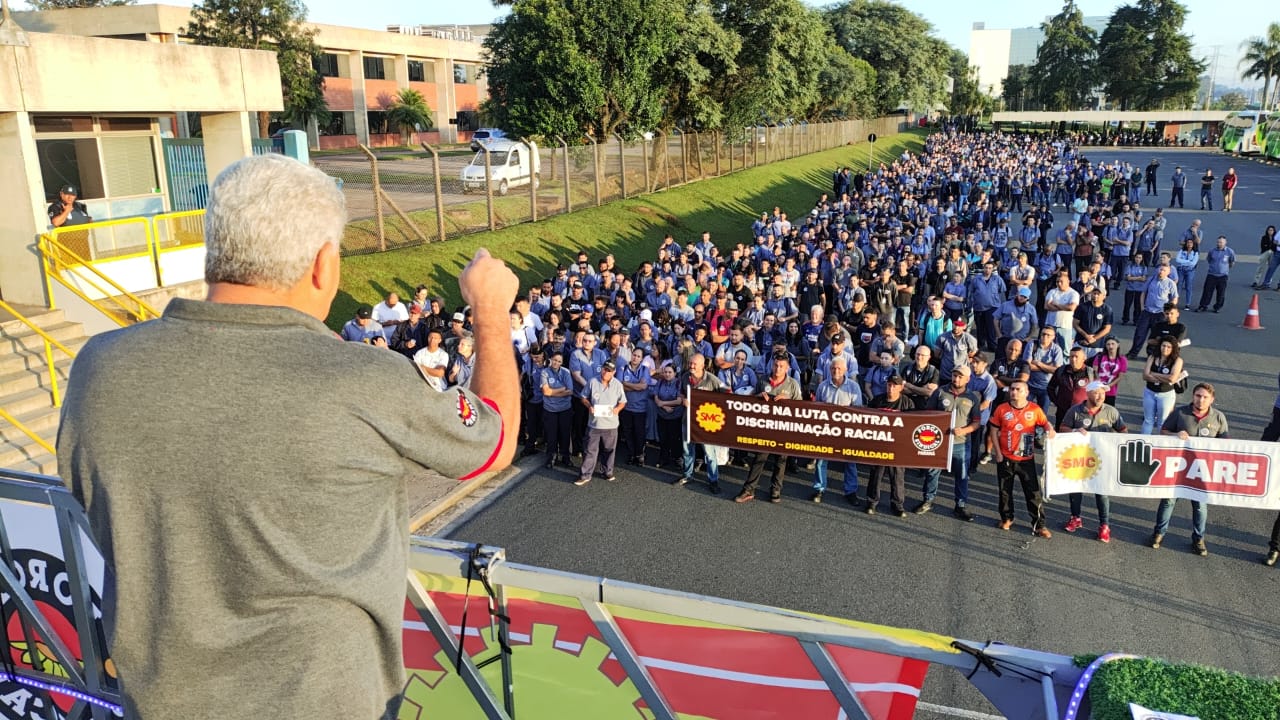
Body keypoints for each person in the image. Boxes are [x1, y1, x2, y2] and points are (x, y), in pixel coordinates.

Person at [57, 154, 518, 720]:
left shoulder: (101, 368)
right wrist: (490, 312)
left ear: (216, 250)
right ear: (324, 264)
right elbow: (495, 441)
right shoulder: (365, 380)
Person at [1151, 383, 1229, 556]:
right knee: (1168, 501)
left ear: (1212, 399)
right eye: (1198, 396)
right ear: (1193, 396)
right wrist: (1175, 435)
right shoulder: (1180, 413)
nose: (1201, 400)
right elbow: (1163, 431)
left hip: (1202, 471)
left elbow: (1225, 444)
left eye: (1205, 397)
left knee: (1200, 506)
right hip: (1178, 468)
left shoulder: (1218, 417)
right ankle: (1158, 533)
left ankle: (1198, 539)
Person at [1059, 381, 1127, 543]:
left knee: (1101, 492)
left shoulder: (1111, 411)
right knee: (1076, 488)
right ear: (1088, 393)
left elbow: (1123, 430)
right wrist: (1075, 430)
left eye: (1103, 393)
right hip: (1080, 457)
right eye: (1096, 393)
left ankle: (1104, 525)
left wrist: (1115, 439)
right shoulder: (1075, 410)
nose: (1100, 396)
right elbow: (1062, 428)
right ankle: (1075, 517)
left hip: (1102, 458)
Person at [986, 380, 1055, 537]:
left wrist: (1050, 429)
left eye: (1018, 389)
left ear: (1027, 392)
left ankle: (1039, 525)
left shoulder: (1035, 409)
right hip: (1006, 457)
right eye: (1012, 389)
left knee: (1033, 493)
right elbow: (993, 430)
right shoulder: (1002, 409)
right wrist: (997, 453)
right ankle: (1007, 519)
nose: (1014, 392)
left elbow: (1045, 423)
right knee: (1005, 491)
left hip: (1026, 459)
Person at [914, 365, 981, 521]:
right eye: (954, 375)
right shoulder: (940, 392)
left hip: (961, 443)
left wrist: (964, 430)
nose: (956, 379)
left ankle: (960, 505)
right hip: (939, 442)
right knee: (932, 472)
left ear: (967, 379)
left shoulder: (972, 398)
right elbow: (928, 413)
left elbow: (976, 422)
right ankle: (928, 500)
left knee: (962, 475)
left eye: (960, 376)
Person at [736, 353, 803, 504]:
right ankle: (749, 489)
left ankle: (775, 489)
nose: (778, 369)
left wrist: (788, 401)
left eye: (781, 366)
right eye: (775, 365)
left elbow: (801, 408)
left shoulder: (792, 384)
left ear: (787, 368)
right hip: (765, 428)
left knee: (781, 460)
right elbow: (751, 402)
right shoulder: (763, 380)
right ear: (772, 365)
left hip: (784, 428)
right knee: (759, 458)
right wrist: (758, 396)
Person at [810, 357, 863, 505]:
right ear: (829, 369)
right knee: (821, 461)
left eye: (839, 368)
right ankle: (819, 488)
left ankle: (851, 491)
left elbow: (858, 411)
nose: (836, 371)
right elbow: (816, 409)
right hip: (826, 430)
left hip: (847, 431)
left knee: (850, 462)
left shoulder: (854, 387)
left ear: (845, 370)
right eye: (833, 368)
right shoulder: (822, 386)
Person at [675, 353, 727, 493]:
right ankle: (688, 475)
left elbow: (727, 393)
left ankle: (713, 481)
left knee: (710, 453)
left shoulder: (712, 379)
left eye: (695, 364)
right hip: (688, 420)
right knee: (687, 450)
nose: (691, 366)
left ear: (703, 366)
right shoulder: (685, 376)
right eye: (690, 363)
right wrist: (683, 400)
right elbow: (680, 393)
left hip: (706, 423)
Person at [864, 375, 912, 516]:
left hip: (898, 446)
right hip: (880, 445)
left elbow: (913, 424)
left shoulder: (907, 403)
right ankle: (872, 502)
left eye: (894, 385)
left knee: (897, 476)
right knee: (876, 474)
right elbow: (867, 419)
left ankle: (897, 504)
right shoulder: (877, 400)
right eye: (889, 385)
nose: (891, 388)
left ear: (901, 387)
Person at [575, 360, 626, 486]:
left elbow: (623, 402)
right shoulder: (592, 381)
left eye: (609, 371)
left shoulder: (618, 385)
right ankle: (585, 475)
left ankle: (607, 472)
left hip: (611, 425)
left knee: (609, 450)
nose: (605, 372)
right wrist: (589, 406)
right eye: (604, 369)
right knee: (590, 450)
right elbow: (583, 397)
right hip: (594, 424)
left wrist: (617, 409)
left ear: (613, 372)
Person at [1126, 264, 1178, 359]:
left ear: (1168, 272)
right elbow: (1143, 293)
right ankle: (1133, 353)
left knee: (1155, 336)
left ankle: (1151, 354)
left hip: (1160, 314)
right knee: (1139, 333)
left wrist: (1168, 311)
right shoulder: (1151, 280)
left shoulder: (1171, 283)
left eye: (1164, 270)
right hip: (1147, 311)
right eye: (1160, 269)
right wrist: (1142, 307)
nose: (1161, 272)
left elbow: (1174, 298)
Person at [540, 351, 575, 468]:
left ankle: (566, 457)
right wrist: (561, 389)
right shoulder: (545, 372)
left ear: (562, 363)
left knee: (565, 433)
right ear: (551, 359)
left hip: (565, 408)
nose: (556, 363)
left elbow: (570, 391)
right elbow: (546, 392)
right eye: (555, 360)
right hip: (550, 409)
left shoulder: (566, 372)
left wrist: (552, 393)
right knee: (551, 434)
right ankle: (551, 457)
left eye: (559, 361)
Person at [1141, 338, 1183, 435]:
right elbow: (1145, 376)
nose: (1165, 349)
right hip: (1150, 392)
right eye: (1163, 346)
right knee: (1148, 420)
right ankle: (1144, 441)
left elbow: (1172, 379)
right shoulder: (1152, 357)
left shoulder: (1177, 360)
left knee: (1163, 421)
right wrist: (1165, 378)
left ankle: (1161, 442)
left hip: (1166, 394)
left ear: (1173, 348)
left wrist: (1153, 374)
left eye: (1169, 347)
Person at [618, 348, 651, 466]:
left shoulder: (645, 370)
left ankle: (640, 455)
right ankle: (631, 454)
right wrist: (636, 385)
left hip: (640, 408)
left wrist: (626, 384)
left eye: (638, 356)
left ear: (641, 359)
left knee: (639, 432)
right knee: (628, 432)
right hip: (626, 406)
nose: (635, 358)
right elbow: (619, 386)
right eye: (634, 355)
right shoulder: (622, 368)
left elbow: (643, 387)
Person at [1195, 235, 1235, 313]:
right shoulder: (1212, 251)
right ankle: (1203, 306)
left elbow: (1232, 262)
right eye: (1218, 242)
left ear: (1225, 243)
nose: (1219, 244)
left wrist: (1225, 269)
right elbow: (1209, 260)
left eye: (1221, 242)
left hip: (1223, 276)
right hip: (1211, 274)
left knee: (1221, 292)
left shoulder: (1230, 252)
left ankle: (1217, 307)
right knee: (1207, 291)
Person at [1091, 337, 1127, 407]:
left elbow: (1120, 377)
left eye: (1113, 344)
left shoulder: (1122, 359)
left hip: (1111, 391)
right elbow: (1094, 371)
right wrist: (1100, 384)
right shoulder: (1099, 357)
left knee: (1108, 411)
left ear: (1118, 345)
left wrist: (1108, 386)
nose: (1110, 346)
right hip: (1098, 389)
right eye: (1108, 344)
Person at [1253, 225, 1277, 289]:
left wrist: (1271, 249)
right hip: (1265, 252)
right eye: (1269, 230)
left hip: (1273, 252)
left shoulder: (1275, 238)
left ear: (1274, 231)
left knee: (1271, 268)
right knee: (1261, 267)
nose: (1270, 231)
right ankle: (1256, 281)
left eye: (1271, 230)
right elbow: (1263, 246)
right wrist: (1269, 248)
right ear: (1267, 231)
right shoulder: (1264, 237)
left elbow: (1275, 246)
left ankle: (1268, 282)